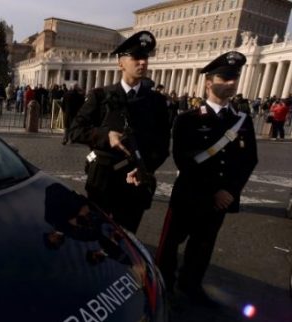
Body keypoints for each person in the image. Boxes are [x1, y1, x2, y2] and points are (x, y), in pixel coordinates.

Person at [155, 51, 258, 308]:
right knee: (170, 245)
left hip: (220, 201)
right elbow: (184, 160)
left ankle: (191, 285)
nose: (231, 83)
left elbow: (249, 160)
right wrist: (215, 190)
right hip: (190, 195)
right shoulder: (187, 119)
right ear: (208, 81)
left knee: (203, 246)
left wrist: (230, 191)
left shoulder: (242, 121)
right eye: (225, 77)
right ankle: (163, 285)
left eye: (235, 78)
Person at [68, 30, 171, 233]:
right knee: (95, 233)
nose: (143, 63)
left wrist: (145, 168)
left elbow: (162, 144)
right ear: (121, 62)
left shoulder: (157, 101)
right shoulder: (100, 96)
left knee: (126, 238)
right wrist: (106, 136)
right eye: (136, 58)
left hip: (136, 183)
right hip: (102, 180)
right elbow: (75, 131)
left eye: (146, 58)